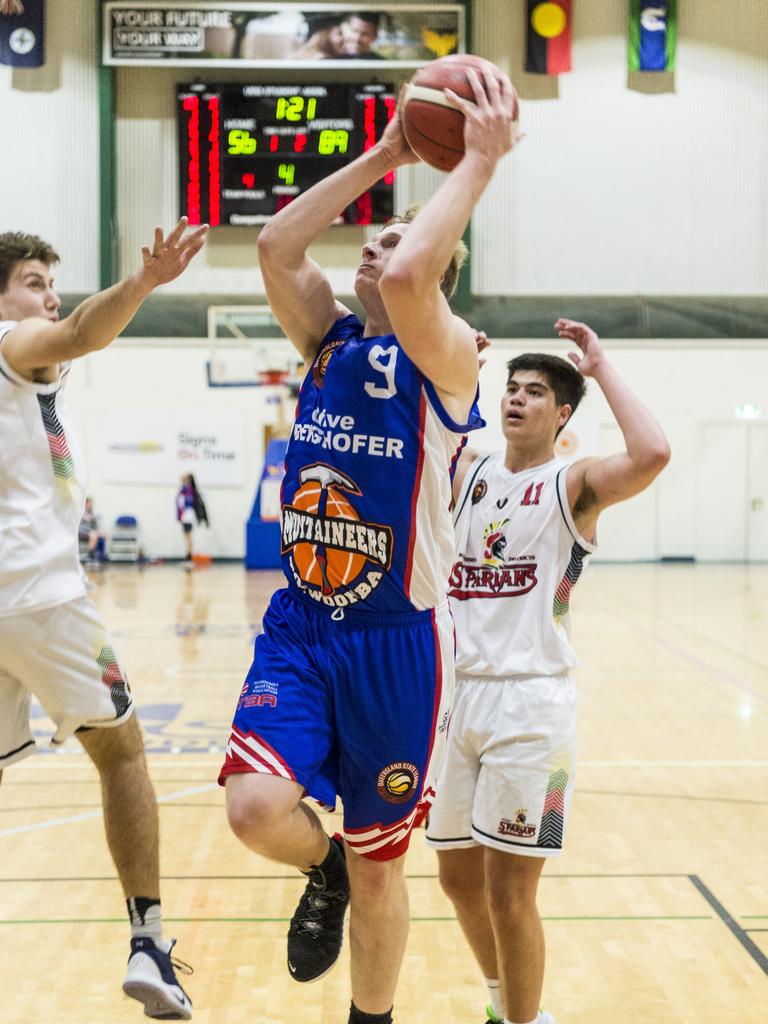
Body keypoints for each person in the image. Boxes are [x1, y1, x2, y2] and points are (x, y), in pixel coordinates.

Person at [219, 67, 521, 1024]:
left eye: (399, 236)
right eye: (375, 233)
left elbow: (406, 276)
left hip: (396, 641)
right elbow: (275, 242)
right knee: (256, 810)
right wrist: (390, 151)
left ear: (439, 277)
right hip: (303, 624)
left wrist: (477, 164)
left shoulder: (455, 357)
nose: (376, 246)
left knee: (382, 857)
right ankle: (324, 875)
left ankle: (371, 1017)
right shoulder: (329, 342)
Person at [425, 320, 671, 1024]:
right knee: (456, 879)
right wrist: (456, 363)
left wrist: (602, 369)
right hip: (457, 700)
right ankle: (505, 1004)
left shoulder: (575, 482)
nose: (517, 399)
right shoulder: (469, 470)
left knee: (510, 892)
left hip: (531, 706)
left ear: (562, 414)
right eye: (511, 388)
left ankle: (527, 1023)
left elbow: (653, 451)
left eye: (535, 392)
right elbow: (424, 429)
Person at [0, 217, 207, 1020]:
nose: (48, 299)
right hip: (40, 594)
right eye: (33, 284)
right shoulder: (17, 344)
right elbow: (83, 331)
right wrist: (144, 283)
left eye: (51, 285)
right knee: (123, 754)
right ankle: (149, 943)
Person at [176, 473, 209, 567]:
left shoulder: (189, 491)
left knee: (188, 536)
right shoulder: (184, 490)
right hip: (185, 516)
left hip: (188, 516)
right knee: (186, 536)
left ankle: (189, 556)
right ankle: (188, 555)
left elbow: (186, 503)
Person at [79, 495, 107, 566]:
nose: (91, 505)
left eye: (92, 504)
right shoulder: (81, 512)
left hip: (90, 532)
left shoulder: (93, 514)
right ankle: (90, 557)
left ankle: (99, 555)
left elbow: (95, 527)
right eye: (90, 503)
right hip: (81, 532)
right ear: (85, 504)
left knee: (103, 534)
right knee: (93, 535)